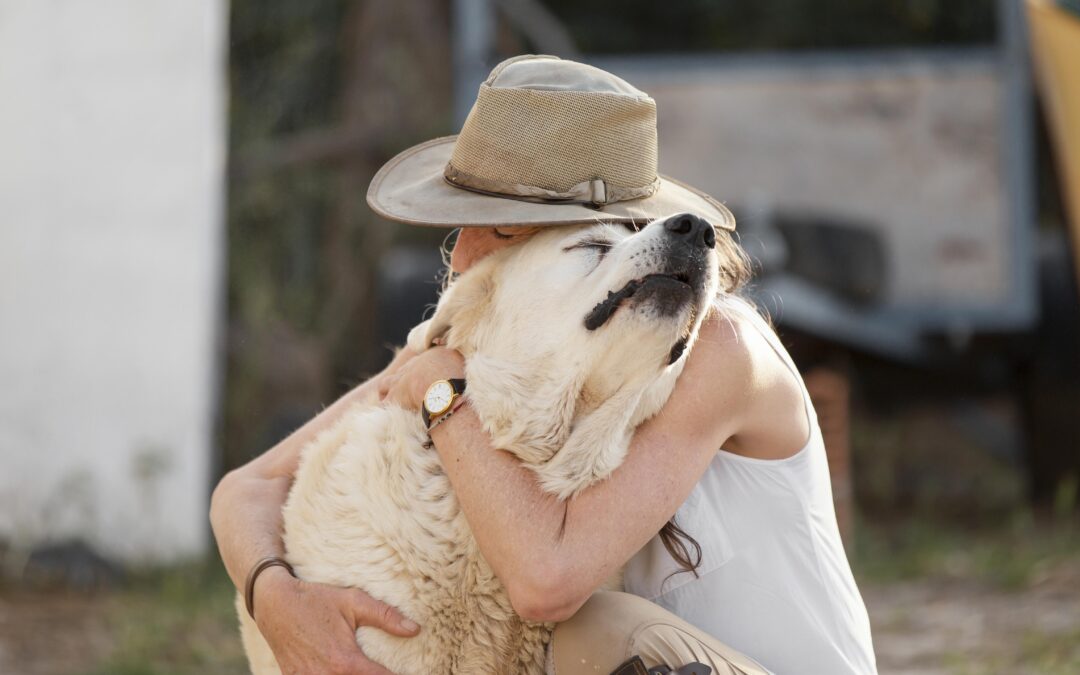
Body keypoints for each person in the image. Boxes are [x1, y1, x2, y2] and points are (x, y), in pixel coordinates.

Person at [210, 55, 877, 675]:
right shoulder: (496, 341)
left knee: (593, 632)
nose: (461, 250)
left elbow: (546, 581)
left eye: (489, 223)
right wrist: (277, 597)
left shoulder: (718, 347)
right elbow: (246, 487)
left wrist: (444, 397)